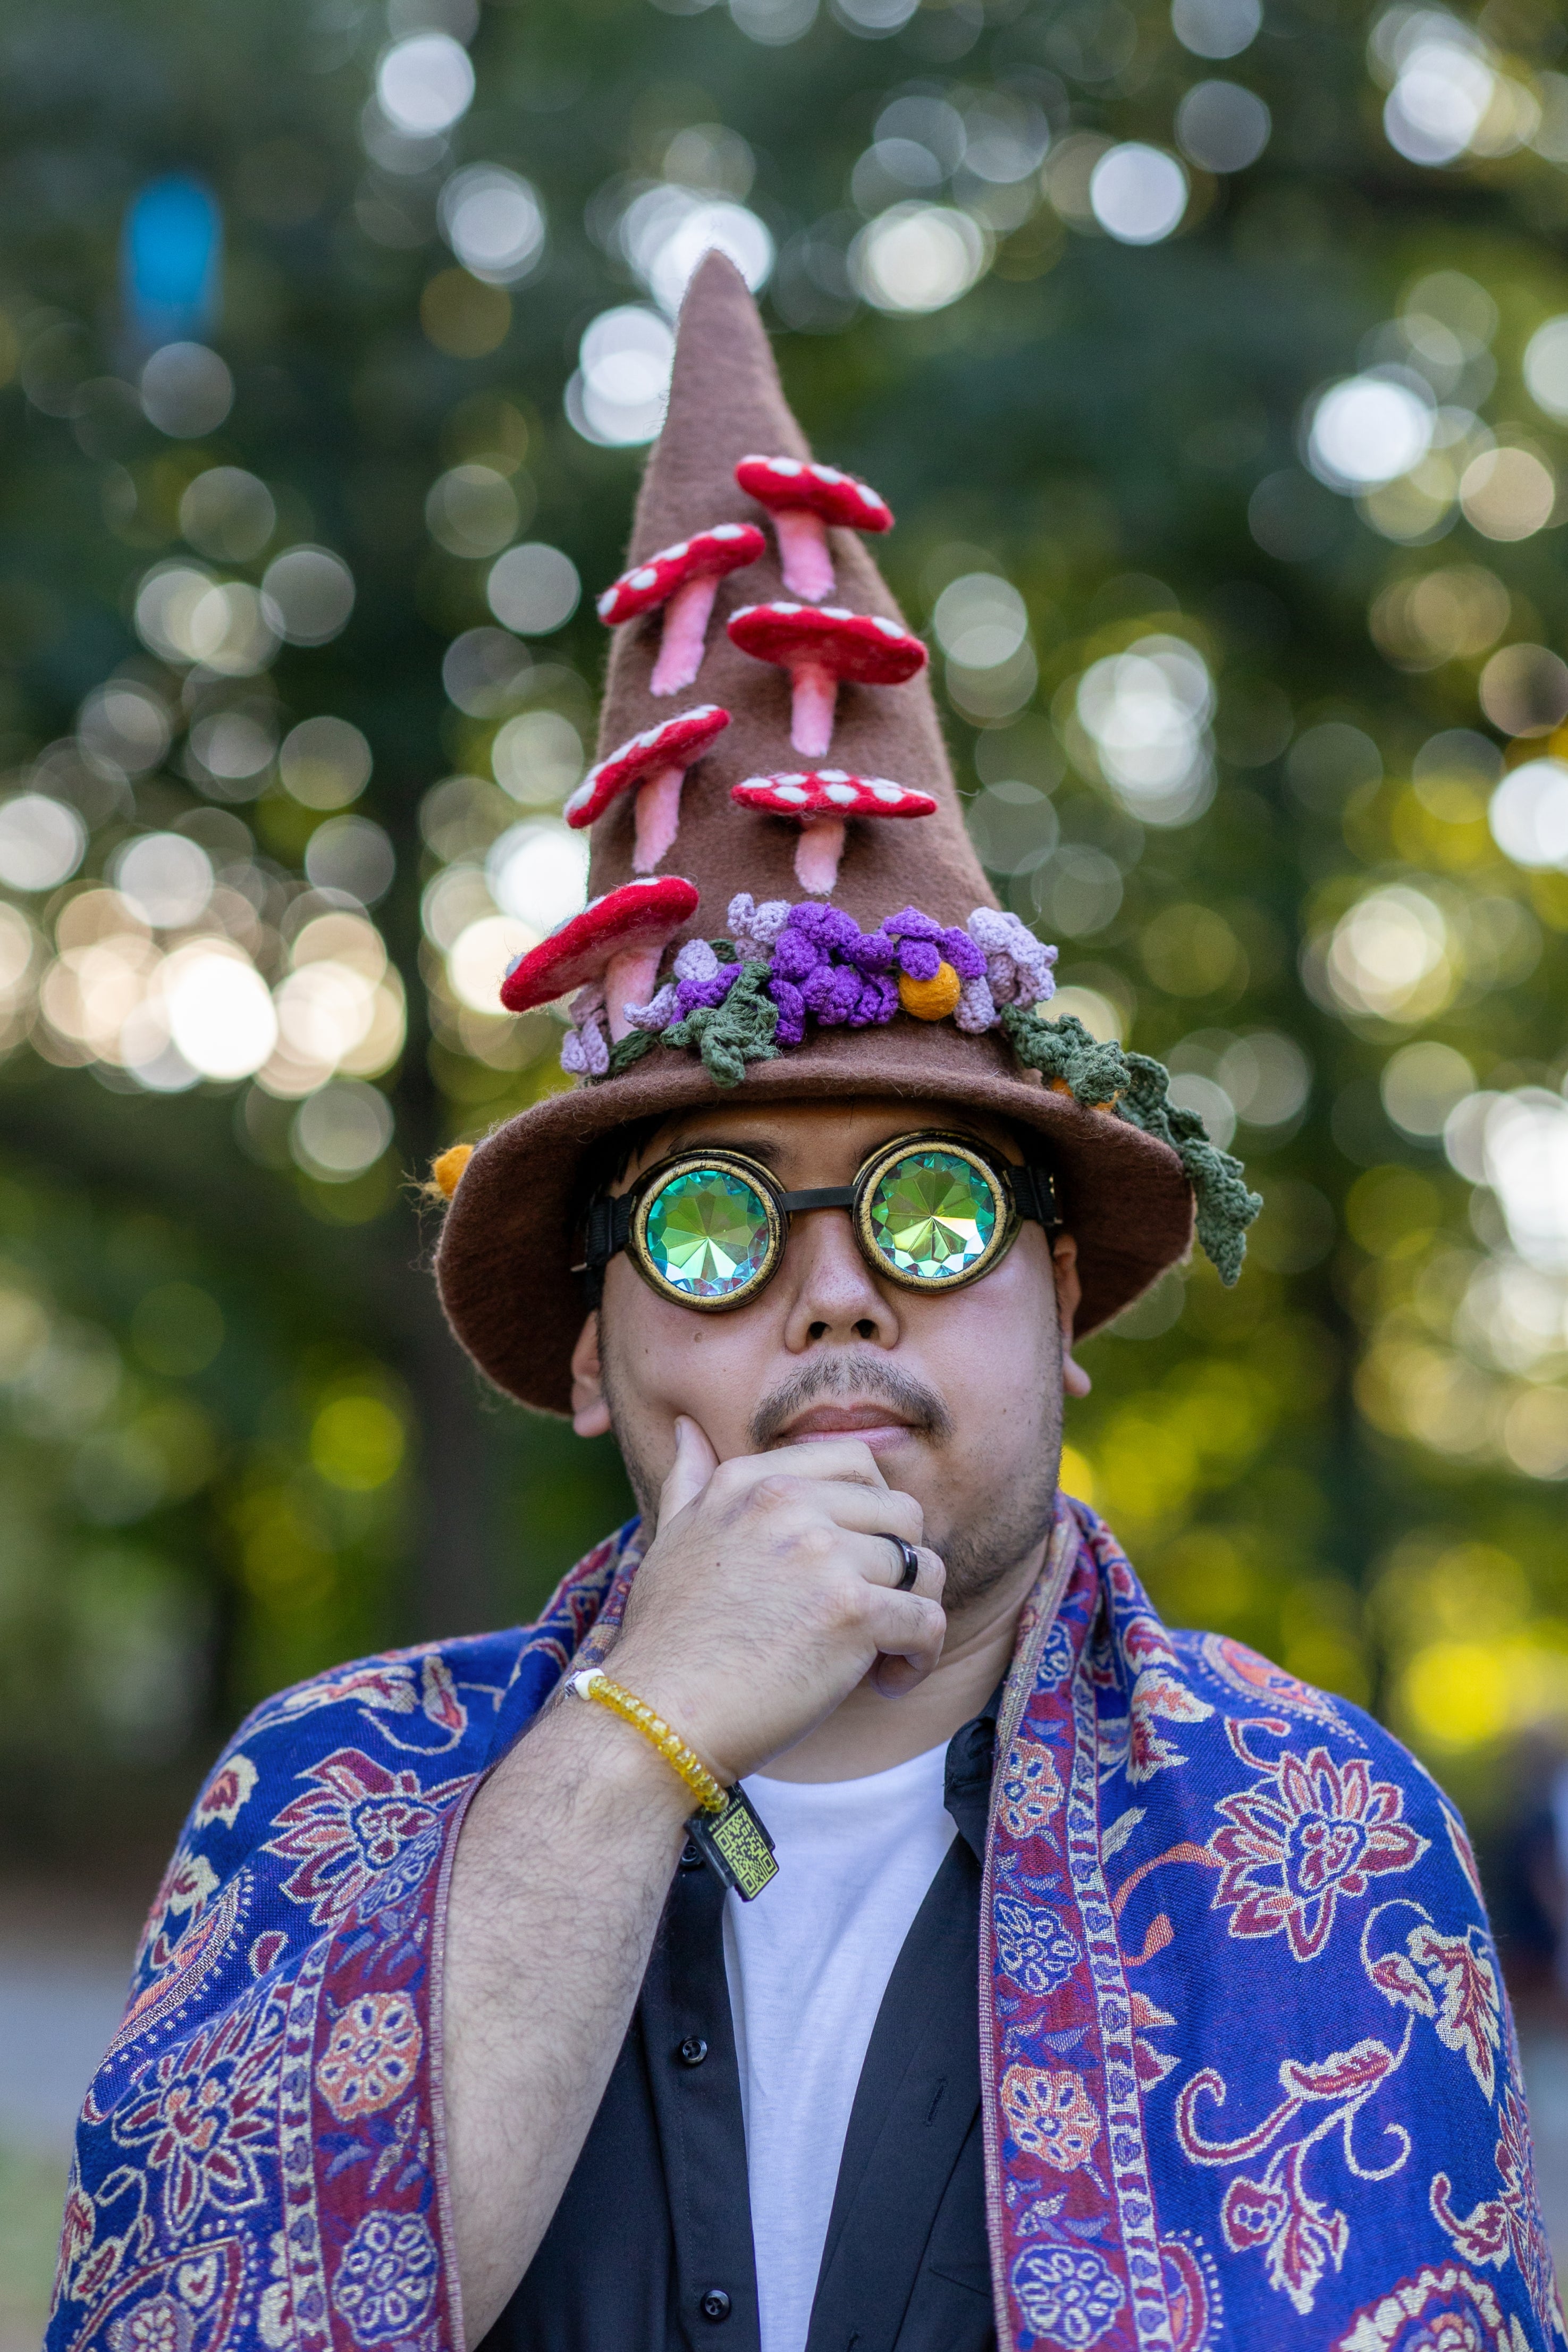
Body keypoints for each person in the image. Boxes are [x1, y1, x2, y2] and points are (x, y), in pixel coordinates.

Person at [50, 255, 1562, 2352]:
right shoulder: (325, 1796)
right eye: (712, 1227)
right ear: (591, 1348)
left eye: (931, 1212)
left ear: (1062, 1303)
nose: (837, 1293)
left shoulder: (1321, 1836)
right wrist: (625, 1756)